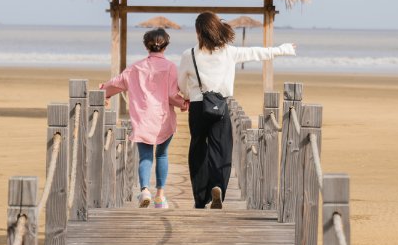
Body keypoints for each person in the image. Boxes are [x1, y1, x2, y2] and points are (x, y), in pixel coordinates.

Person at [177, 12, 296, 209]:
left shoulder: (189, 55)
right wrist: (284, 49)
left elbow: (181, 83)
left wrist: (188, 95)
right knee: (221, 150)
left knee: (198, 149)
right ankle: (217, 186)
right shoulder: (229, 52)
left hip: (198, 106)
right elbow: (258, 53)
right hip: (220, 106)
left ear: (198, 32)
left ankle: (200, 198)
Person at [100, 28, 189, 209]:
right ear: (165, 45)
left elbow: (115, 84)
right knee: (162, 155)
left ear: (146, 46)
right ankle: (160, 196)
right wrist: (184, 104)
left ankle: (145, 190)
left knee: (145, 157)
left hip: (142, 119)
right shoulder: (171, 67)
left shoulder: (135, 68)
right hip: (163, 119)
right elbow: (172, 94)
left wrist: (103, 92)